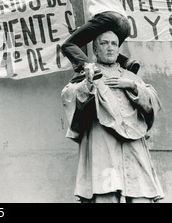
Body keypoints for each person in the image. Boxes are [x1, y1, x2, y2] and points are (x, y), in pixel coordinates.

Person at [61, 31, 164, 203]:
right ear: (95, 49)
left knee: (141, 195)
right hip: (103, 141)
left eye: (114, 44)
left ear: (118, 49)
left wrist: (133, 86)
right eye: (104, 43)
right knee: (106, 194)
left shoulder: (130, 76)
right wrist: (88, 83)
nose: (110, 48)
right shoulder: (88, 73)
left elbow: (153, 102)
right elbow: (69, 96)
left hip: (133, 144)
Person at [55, 0, 140, 83]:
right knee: (105, 49)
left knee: (69, 45)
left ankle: (89, 69)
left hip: (107, 18)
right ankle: (128, 63)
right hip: (124, 25)